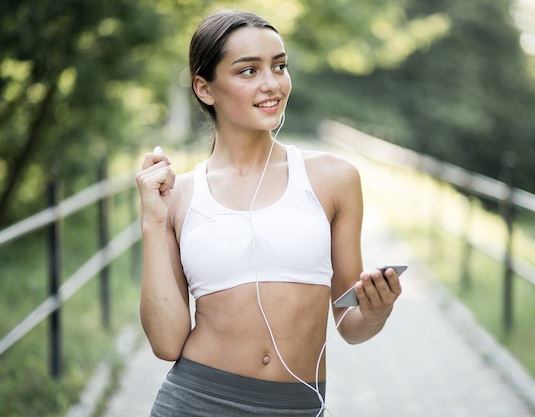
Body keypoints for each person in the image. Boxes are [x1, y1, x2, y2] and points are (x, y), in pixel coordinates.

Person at [135, 9, 402, 417]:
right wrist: (152, 223)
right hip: (194, 402)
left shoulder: (334, 179)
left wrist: (376, 311)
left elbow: (350, 325)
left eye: (279, 66)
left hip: (296, 408)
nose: (272, 83)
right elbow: (167, 343)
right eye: (248, 71)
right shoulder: (179, 195)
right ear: (205, 89)